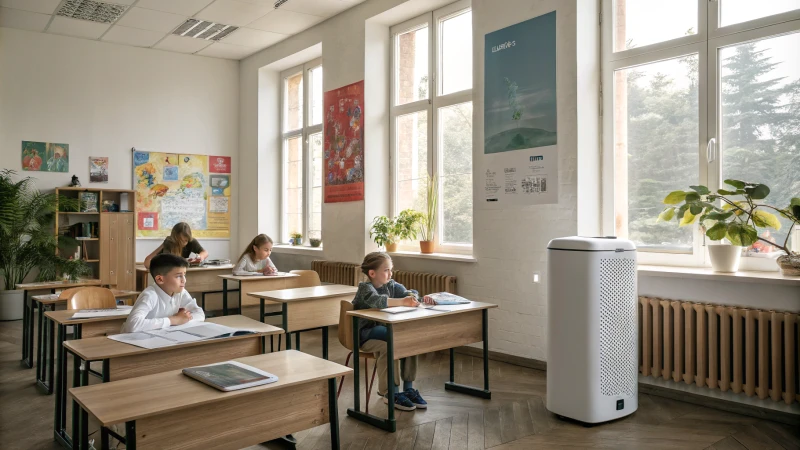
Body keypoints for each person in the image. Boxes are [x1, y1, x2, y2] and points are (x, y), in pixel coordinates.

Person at [352, 252, 432, 411]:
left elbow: (410, 292)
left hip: (383, 331)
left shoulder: (392, 285)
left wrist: (414, 298)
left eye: (391, 269)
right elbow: (378, 301)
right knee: (392, 341)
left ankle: (408, 388)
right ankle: (391, 392)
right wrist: (402, 301)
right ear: (372, 273)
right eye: (386, 270)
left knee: (407, 337)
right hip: (364, 335)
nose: (390, 273)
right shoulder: (365, 288)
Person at [122, 253, 205, 333]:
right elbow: (132, 325)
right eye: (179, 276)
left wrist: (182, 319)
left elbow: (200, 314)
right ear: (160, 279)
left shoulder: (180, 292)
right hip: (137, 342)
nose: (184, 280)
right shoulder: (150, 295)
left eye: (184, 275)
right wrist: (174, 320)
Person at [143, 222, 208, 268]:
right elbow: (170, 262)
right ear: (174, 238)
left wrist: (199, 257)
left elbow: (205, 252)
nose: (183, 243)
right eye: (180, 241)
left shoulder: (191, 241)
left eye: (185, 240)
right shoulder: (169, 242)